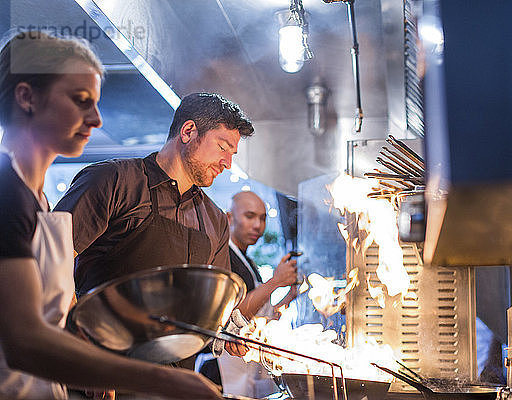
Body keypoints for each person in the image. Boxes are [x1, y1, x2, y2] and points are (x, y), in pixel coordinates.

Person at [0, 30, 222, 399]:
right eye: (81, 101)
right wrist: (163, 380)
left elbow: (50, 318)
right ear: (27, 97)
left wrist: (89, 353)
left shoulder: (34, 197)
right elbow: (25, 341)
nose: (97, 119)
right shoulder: (7, 193)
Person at [54, 92, 254, 296]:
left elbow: (215, 298)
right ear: (188, 131)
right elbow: (51, 259)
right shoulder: (112, 180)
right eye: (222, 148)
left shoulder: (216, 220)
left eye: (232, 154)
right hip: (97, 326)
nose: (228, 163)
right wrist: (70, 323)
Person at [198, 191, 299, 398]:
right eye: (250, 216)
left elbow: (258, 315)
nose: (258, 226)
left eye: (262, 218)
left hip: (243, 363)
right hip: (220, 367)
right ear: (229, 218)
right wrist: (276, 281)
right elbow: (234, 316)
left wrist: (290, 295)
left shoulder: (246, 260)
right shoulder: (223, 256)